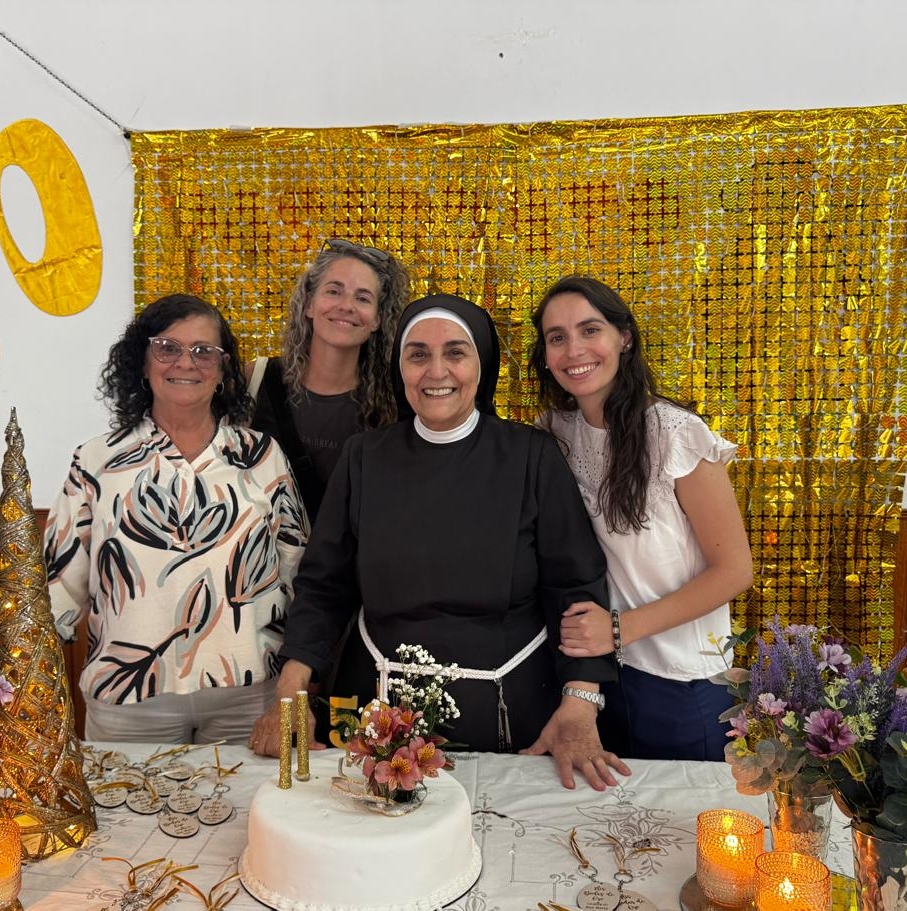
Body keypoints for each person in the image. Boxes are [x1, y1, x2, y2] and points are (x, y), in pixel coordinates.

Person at [249, 293, 632, 791]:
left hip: (514, 717)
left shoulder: (531, 456)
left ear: (481, 365)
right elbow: (324, 587)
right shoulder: (364, 457)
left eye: (455, 352)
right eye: (418, 355)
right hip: (376, 716)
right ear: (400, 368)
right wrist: (291, 693)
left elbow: (575, 588)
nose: (436, 371)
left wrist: (580, 705)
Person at [43, 293, 308, 744]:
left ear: (223, 371)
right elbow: (57, 586)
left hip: (248, 696)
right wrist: (12, 689)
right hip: (128, 699)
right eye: (168, 348)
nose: (186, 362)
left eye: (204, 351)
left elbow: (298, 569)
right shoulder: (97, 460)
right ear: (143, 362)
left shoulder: (262, 456)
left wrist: (300, 677)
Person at [529, 275, 754, 761]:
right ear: (545, 356)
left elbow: (735, 570)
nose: (574, 350)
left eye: (590, 330)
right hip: (597, 681)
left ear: (624, 339)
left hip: (682, 685)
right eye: (557, 337)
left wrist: (619, 628)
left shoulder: (677, 434)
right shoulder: (553, 434)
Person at [247, 239, 411, 519]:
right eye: (334, 291)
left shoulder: (398, 401)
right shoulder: (256, 378)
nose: (346, 306)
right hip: (267, 547)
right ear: (309, 304)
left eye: (362, 298)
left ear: (377, 319)